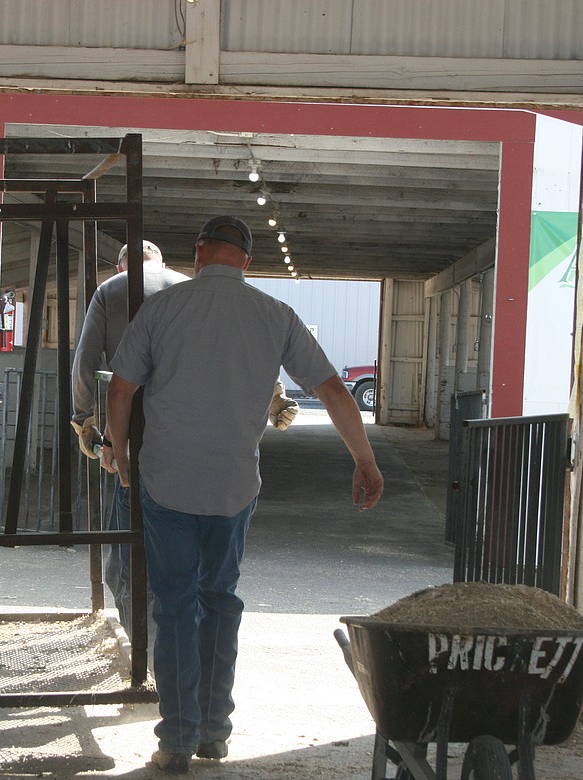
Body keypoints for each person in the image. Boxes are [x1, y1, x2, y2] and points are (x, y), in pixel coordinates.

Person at [102, 216, 384, 773]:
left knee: (175, 607)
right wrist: (365, 461)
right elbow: (330, 388)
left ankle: (177, 738)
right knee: (220, 601)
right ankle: (214, 731)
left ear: (199, 252)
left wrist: (119, 453)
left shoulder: (160, 310)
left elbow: (120, 388)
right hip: (233, 486)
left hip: (166, 482)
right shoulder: (274, 314)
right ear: (247, 261)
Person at [70, 240, 189, 639]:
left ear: (121, 266)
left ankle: (142, 644)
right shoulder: (190, 287)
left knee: (126, 551)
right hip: (189, 435)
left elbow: (86, 361)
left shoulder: (112, 289)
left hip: (132, 434)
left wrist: (86, 422)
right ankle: (172, 641)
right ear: (164, 263)